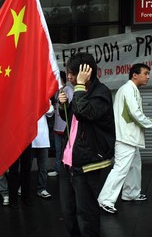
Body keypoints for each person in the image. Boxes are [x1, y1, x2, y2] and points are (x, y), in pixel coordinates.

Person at [58, 52, 115, 236]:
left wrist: (80, 85)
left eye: (71, 74)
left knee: (86, 215)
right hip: (68, 162)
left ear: (85, 73)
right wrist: (63, 106)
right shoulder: (79, 91)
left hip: (87, 164)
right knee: (69, 213)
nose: (68, 77)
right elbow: (73, 119)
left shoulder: (101, 93)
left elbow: (84, 113)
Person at [98, 63, 152, 214]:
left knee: (134, 166)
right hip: (125, 137)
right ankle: (105, 200)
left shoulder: (131, 89)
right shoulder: (128, 89)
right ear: (135, 75)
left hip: (130, 136)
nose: (148, 76)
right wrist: (150, 123)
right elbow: (135, 113)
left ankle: (130, 193)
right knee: (120, 169)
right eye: (146, 73)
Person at [48, 71, 73, 177]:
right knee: (58, 150)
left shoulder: (68, 90)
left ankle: (65, 170)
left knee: (65, 149)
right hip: (57, 126)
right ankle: (58, 169)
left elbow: (71, 106)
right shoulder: (57, 91)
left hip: (64, 126)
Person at [32, 102, 54, 198]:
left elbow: (50, 112)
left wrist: (43, 102)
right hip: (30, 138)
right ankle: (22, 187)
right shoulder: (27, 96)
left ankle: (42, 189)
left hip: (43, 138)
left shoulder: (45, 98)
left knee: (43, 167)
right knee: (26, 166)